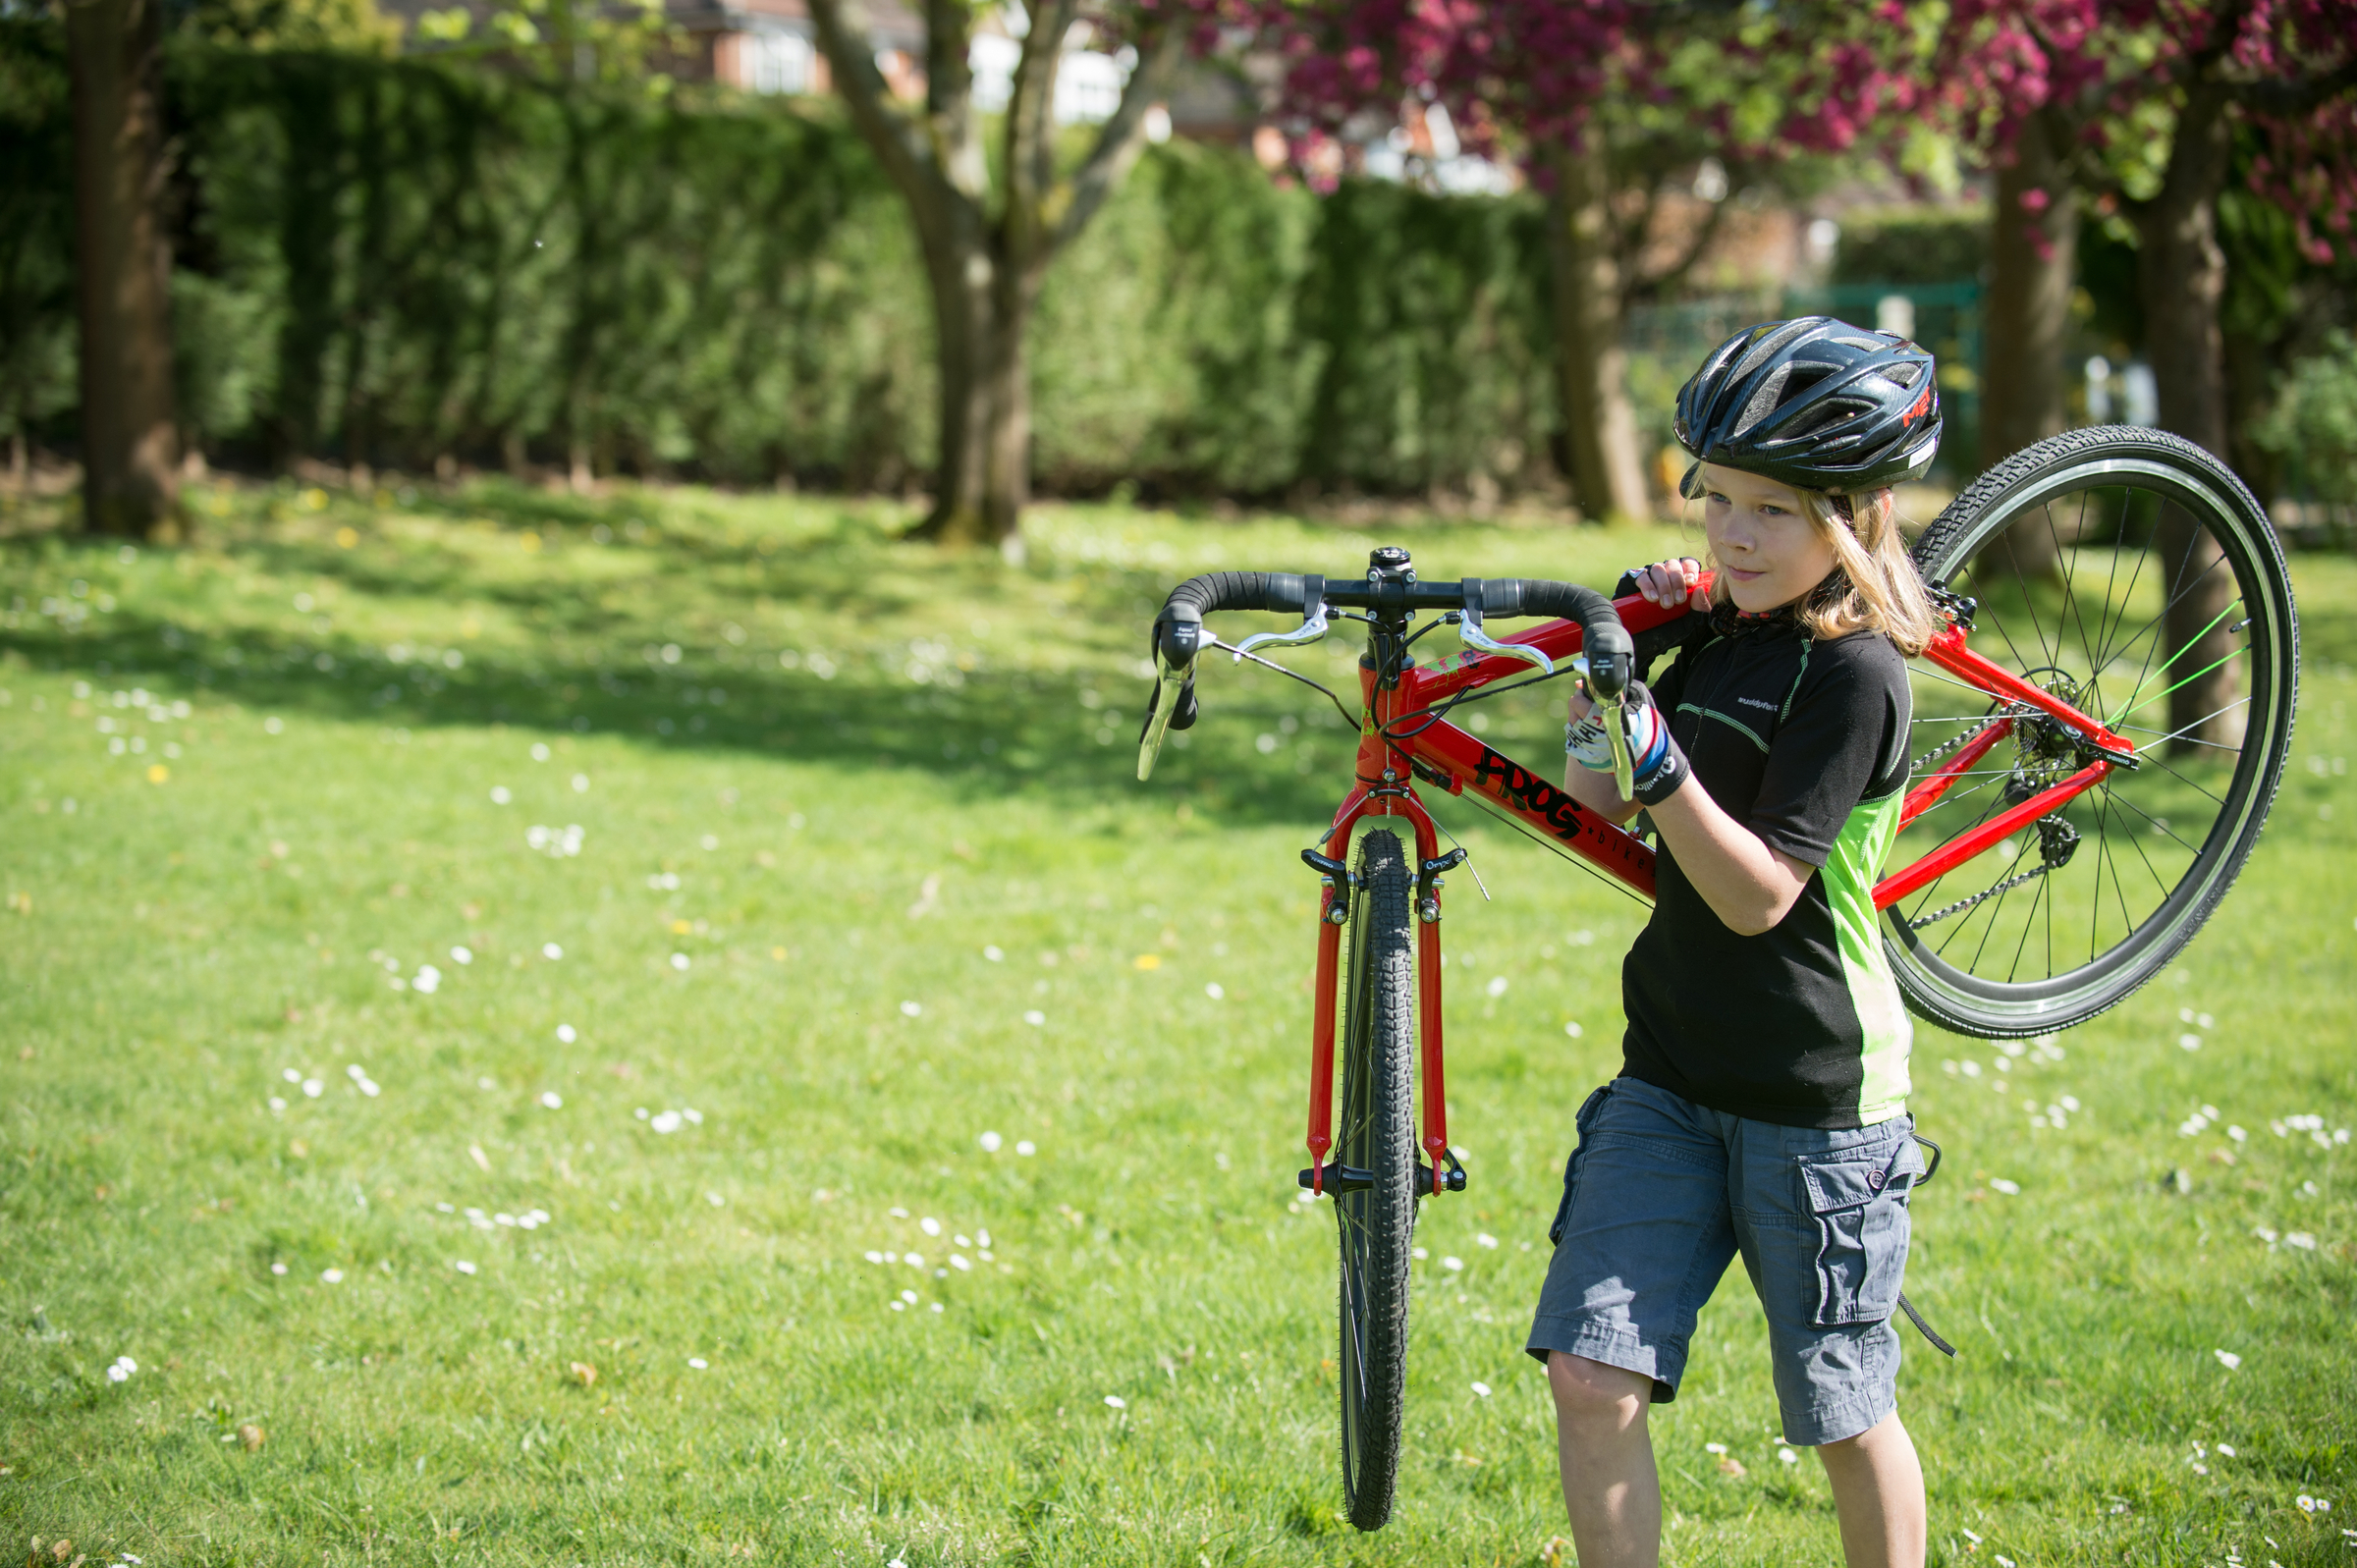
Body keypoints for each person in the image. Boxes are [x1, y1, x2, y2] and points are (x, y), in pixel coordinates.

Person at [1531, 317, 1947, 1568]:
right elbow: (1596, 805)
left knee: (1842, 1410)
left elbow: (1759, 892)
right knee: (1590, 1377)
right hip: (1667, 1074)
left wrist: (1659, 757)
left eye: (1772, 510)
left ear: (1853, 514)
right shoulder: (1713, 631)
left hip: (1817, 1100)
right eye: (1716, 500)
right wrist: (1612, 693)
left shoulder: (1858, 677)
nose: (1732, 535)